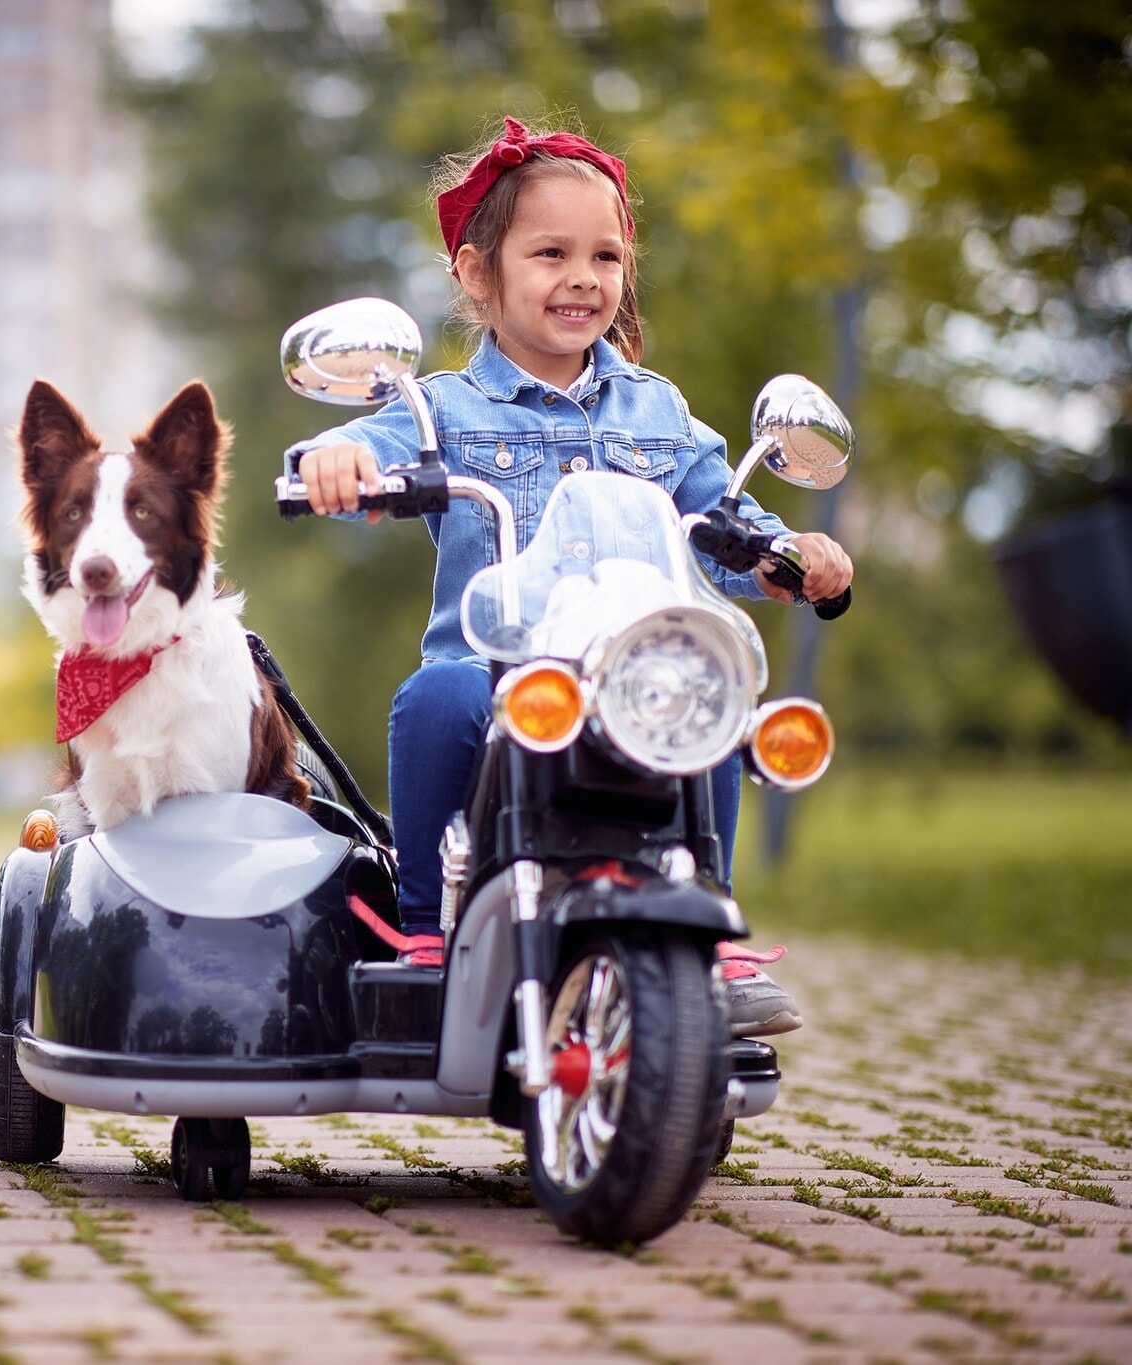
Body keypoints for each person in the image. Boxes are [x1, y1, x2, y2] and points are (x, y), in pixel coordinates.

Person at [296, 117, 854, 1038]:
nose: (583, 277)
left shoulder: (658, 408)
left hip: (632, 673)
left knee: (706, 691)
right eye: (550, 252)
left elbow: (730, 521)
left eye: (606, 255)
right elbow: (360, 444)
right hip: (499, 675)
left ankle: (703, 920)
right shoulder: (440, 407)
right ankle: (426, 927)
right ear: (480, 273)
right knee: (434, 696)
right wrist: (337, 461)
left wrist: (795, 555)